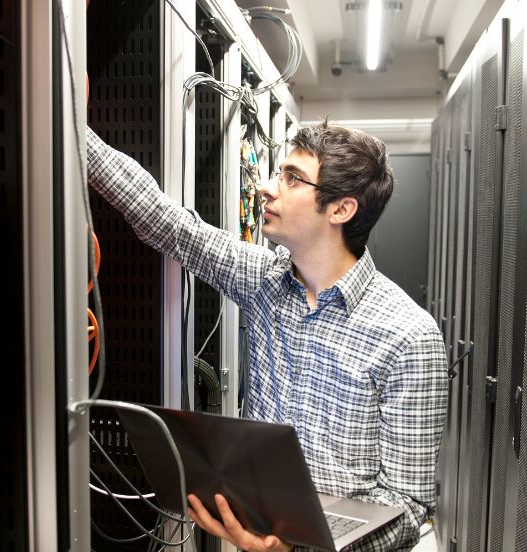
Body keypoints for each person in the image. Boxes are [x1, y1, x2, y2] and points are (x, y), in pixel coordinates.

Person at [85, 120, 448, 551]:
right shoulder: (264, 281)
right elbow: (171, 225)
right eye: (279, 173)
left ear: (341, 210)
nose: (267, 188)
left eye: (292, 178)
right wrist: (70, 124)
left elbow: (407, 506)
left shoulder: (409, 336)